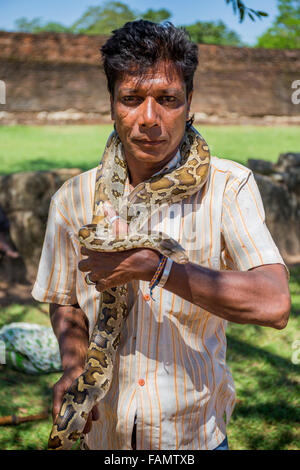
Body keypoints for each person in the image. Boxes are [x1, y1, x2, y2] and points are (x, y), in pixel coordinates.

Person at [31, 20, 291, 451]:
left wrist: (159, 268)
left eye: (167, 99)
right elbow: (66, 298)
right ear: (112, 104)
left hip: (193, 439)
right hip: (103, 438)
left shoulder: (229, 186)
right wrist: (75, 364)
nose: (148, 118)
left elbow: (275, 303)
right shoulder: (72, 199)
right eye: (131, 99)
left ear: (189, 103)